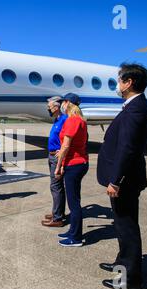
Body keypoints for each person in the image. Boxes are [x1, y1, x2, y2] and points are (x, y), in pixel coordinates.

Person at [97, 63, 147, 289]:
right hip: (125, 179)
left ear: (129, 83)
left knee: (127, 227)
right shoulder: (133, 106)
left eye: (120, 80)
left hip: (124, 182)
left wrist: (115, 181)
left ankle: (129, 279)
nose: (117, 85)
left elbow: (127, 149)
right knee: (122, 225)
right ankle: (122, 264)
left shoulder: (135, 109)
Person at [54, 93, 89, 247]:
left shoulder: (72, 120)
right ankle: (72, 231)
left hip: (74, 165)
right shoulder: (80, 120)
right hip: (78, 163)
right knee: (74, 200)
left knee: (74, 203)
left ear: (68, 103)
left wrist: (57, 166)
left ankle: (75, 238)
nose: (61, 104)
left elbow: (66, 146)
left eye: (63, 102)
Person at [41, 96, 68, 228]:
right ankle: (58, 213)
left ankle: (58, 218)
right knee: (57, 187)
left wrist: (61, 154)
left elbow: (67, 139)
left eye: (49, 107)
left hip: (57, 157)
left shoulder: (64, 120)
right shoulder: (57, 119)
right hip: (51, 156)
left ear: (56, 108)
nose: (48, 109)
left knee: (56, 186)